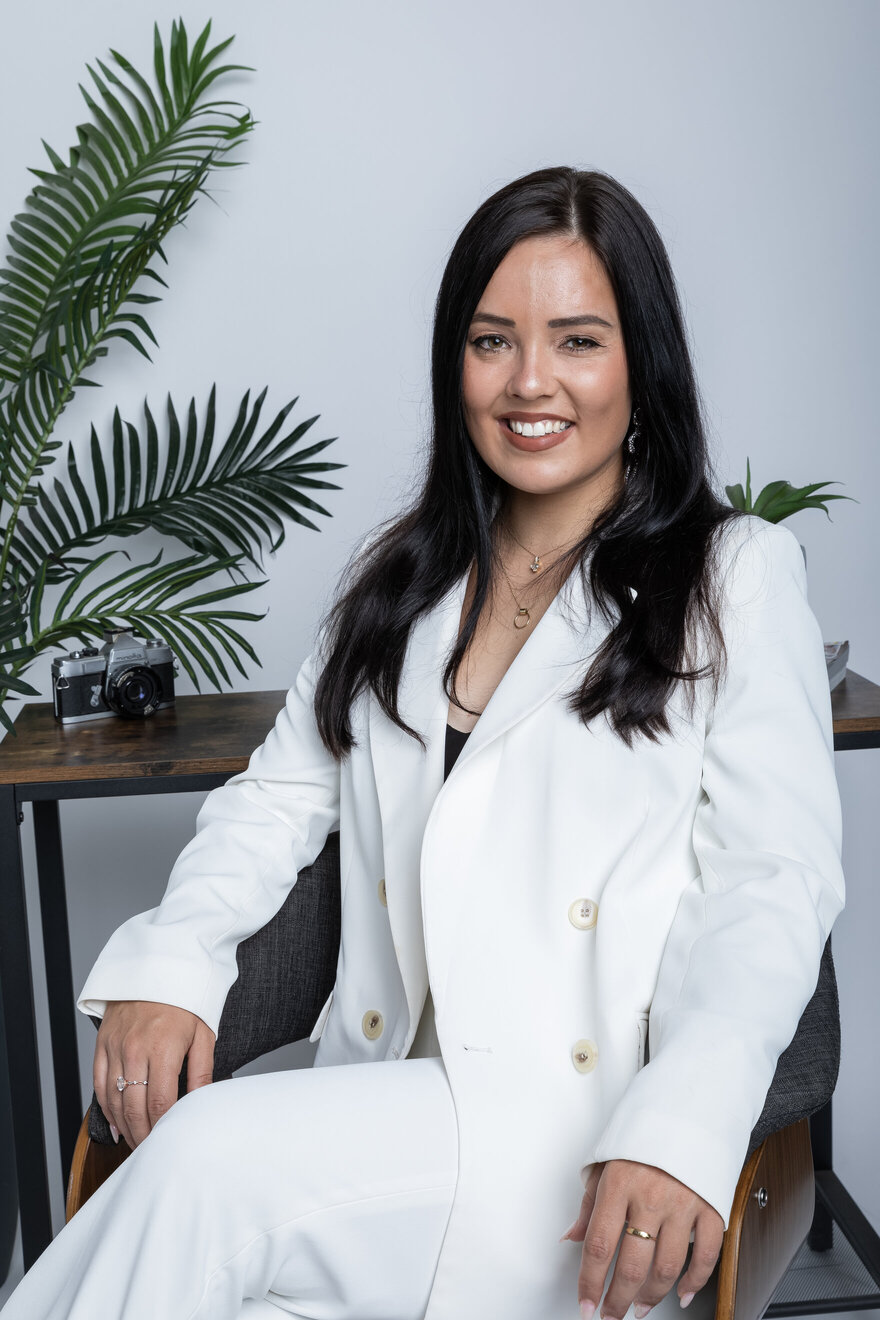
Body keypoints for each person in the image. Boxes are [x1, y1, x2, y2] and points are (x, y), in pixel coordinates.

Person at [1, 166, 844, 1320]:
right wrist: (174, 960)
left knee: (205, 1162)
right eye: (492, 340)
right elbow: (274, 802)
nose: (530, 381)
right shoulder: (403, 585)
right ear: (454, 364)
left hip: (579, 1151)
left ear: (640, 364)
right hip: (397, 1107)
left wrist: (683, 1127)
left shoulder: (732, 575)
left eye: (578, 340)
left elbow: (773, 883)